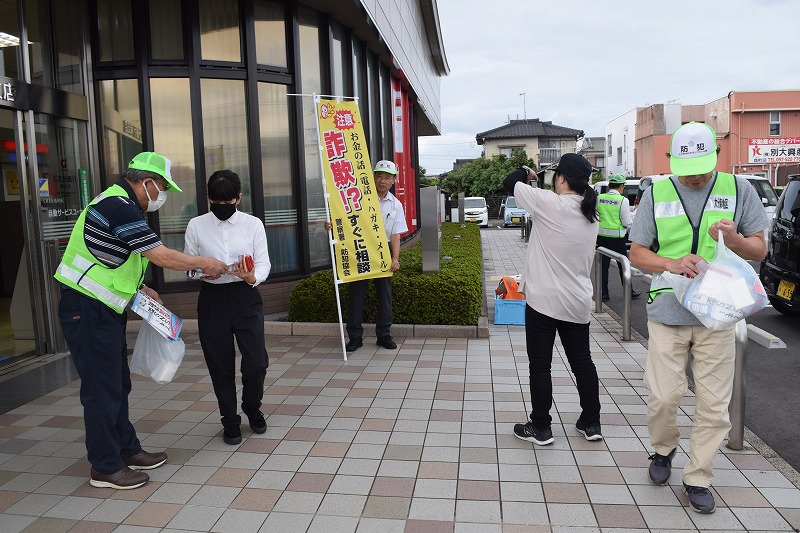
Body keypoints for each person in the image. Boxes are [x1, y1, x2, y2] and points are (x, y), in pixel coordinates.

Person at [55, 152, 229, 490]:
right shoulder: (118, 206)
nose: (161, 195)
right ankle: (105, 467)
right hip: (87, 309)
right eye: (162, 187)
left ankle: (126, 449)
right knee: (102, 389)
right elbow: (159, 255)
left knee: (117, 383)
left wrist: (141, 288)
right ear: (146, 182)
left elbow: (111, 259)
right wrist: (204, 262)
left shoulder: (121, 204)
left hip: (102, 308)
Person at [629, 122, 769, 514]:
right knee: (663, 395)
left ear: (716, 158)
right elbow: (637, 252)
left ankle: (698, 476)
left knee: (713, 403)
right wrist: (671, 262)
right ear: (672, 160)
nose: (695, 177)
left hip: (719, 314)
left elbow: (759, 249)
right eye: (687, 169)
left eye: (703, 169)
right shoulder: (657, 192)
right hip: (667, 310)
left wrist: (734, 240)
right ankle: (663, 449)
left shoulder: (739, 190)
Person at [504, 153, 603, 446]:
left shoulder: (550, 203)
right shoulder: (591, 214)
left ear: (561, 179)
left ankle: (541, 427)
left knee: (540, 365)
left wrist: (528, 172)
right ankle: (591, 422)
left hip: (543, 301)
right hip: (577, 301)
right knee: (582, 363)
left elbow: (510, 182)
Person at [184, 170, 271, 445]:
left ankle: (252, 406)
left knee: (256, 361)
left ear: (239, 198)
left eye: (228, 201)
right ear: (208, 198)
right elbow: (189, 265)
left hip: (246, 294)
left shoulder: (253, 224)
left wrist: (252, 277)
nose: (222, 207)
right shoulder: (196, 225)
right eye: (217, 202)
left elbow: (264, 263)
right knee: (219, 363)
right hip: (213, 299)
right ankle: (230, 420)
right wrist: (202, 272)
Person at [325, 160, 408, 352]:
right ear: (373, 177)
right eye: (378, 176)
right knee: (356, 296)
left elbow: (396, 234)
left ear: (393, 180)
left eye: (387, 177)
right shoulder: (359, 198)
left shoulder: (396, 205)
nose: (382, 181)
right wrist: (332, 224)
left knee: (385, 297)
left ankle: (384, 335)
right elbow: (345, 219)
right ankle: (355, 338)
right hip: (360, 249)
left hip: (383, 252)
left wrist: (395, 258)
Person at [596, 173, 642, 301]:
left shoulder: (599, 198)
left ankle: (604, 294)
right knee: (623, 265)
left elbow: (596, 215)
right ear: (621, 186)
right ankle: (629, 292)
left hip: (601, 236)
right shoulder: (623, 200)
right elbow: (626, 222)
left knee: (603, 266)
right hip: (617, 237)